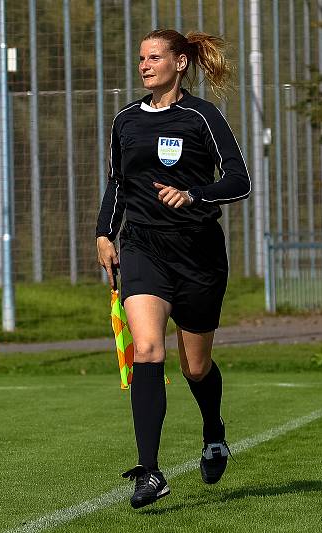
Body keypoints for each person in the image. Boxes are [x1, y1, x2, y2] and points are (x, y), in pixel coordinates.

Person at [95, 28, 251, 509]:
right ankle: (150, 471)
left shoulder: (202, 116)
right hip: (142, 246)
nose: (145, 65)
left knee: (196, 366)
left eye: (155, 57)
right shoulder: (125, 120)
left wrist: (195, 194)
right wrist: (104, 233)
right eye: (141, 58)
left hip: (198, 253)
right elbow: (118, 184)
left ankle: (213, 431)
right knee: (145, 348)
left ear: (180, 63)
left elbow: (238, 180)